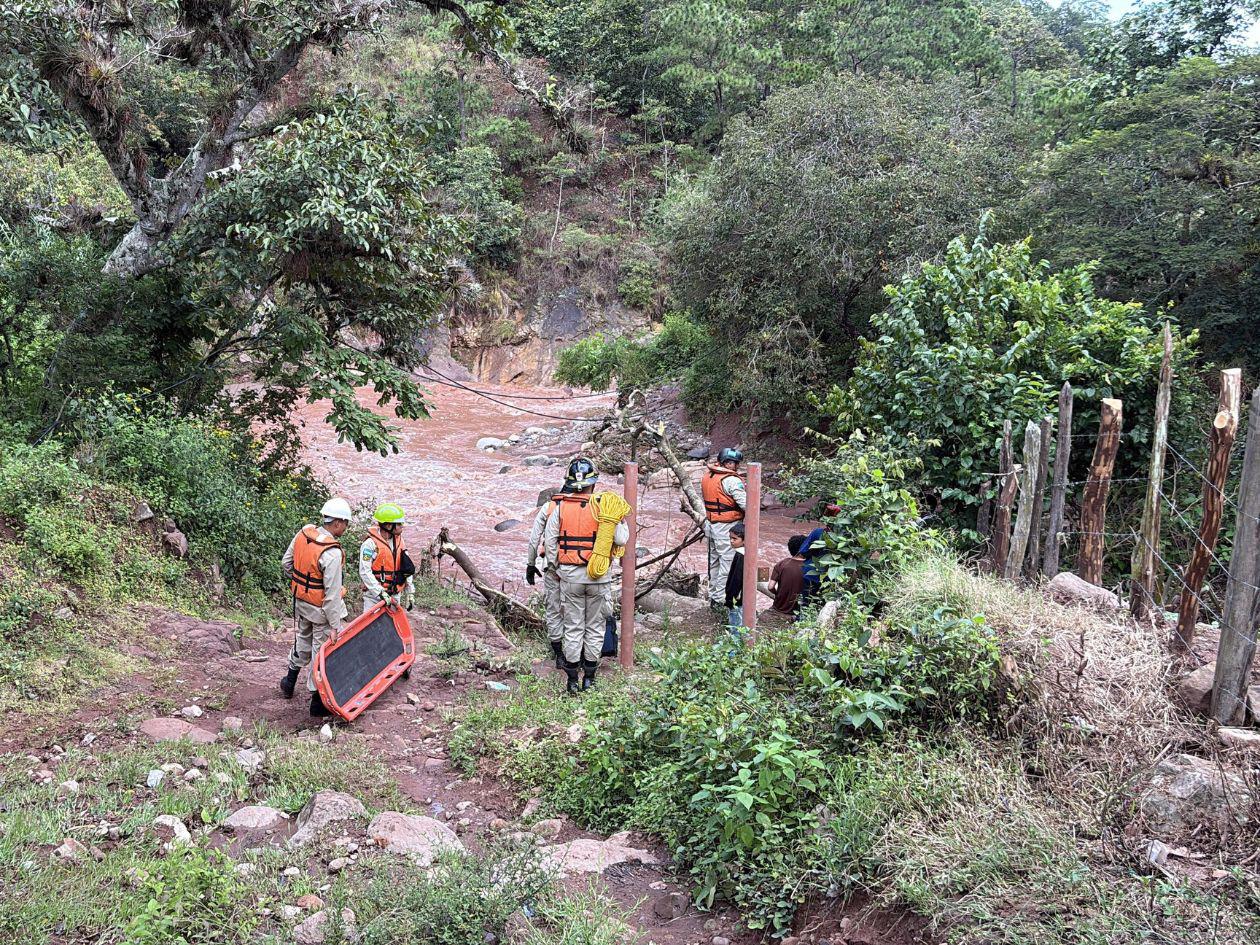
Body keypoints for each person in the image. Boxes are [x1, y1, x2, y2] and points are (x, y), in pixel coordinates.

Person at [544, 457, 629, 694]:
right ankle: (589, 678)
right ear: (593, 483)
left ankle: (572, 681)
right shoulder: (605, 507)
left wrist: (556, 568)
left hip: (570, 577)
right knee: (595, 627)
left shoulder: (560, 508)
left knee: (573, 627)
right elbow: (621, 539)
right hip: (598, 577)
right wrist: (621, 520)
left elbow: (550, 542)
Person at [279, 497, 352, 717]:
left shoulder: (304, 534)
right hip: (321, 611)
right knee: (321, 653)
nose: (346, 527)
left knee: (302, 640)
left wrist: (304, 586)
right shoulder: (332, 553)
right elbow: (331, 596)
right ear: (337, 523)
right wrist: (335, 625)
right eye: (346, 523)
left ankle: (289, 682)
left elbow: (286, 564)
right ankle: (317, 703)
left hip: (302, 604)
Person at [525, 479, 572, 669]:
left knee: (554, 610)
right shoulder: (589, 507)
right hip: (580, 568)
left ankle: (559, 654)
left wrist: (530, 564)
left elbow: (534, 539)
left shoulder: (549, 507)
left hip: (552, 566)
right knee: (577, 609)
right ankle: (577, 653)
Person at [701, 447, 746, 610]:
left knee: (714, 562)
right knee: (727, 563)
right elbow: (746, 505)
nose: (734, 466)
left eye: (735, 463)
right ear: (725, 463)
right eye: (732, 463)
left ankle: (714, 596)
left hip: (711, 525)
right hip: (726, 527)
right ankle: (720, 600)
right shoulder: (731, 481)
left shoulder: (708, 476)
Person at [360, 502, 415, 613]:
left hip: (394, 593)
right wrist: (379, 592)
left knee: (392, 623)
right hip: (374, 597)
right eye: (399, 524)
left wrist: (410, 592)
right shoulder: (370, 544)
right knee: (372, 623)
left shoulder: (400, 542)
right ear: (389, 526)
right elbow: (365, 571)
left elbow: (406, 567)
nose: (402, 526)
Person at [765, 535, 808, 622]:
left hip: (779, 607)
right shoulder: (810, 566)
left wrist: (777, 594)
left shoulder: (782, 564)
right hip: (797, 611)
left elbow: (770, 587)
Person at [724, 523, 746, 632]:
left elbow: (736, 579)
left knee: (736, 625)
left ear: (744, 540)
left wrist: (730, 597)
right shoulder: (744, 553)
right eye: (730, 538)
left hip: (736, 598)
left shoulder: (741, 556)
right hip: (740, 597)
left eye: (735, 538)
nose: (731, 541)